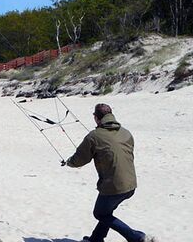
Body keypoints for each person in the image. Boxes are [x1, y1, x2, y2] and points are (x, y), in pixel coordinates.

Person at [62, 103, 152, 242]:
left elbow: (79, 160)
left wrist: (68, 162)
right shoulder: (126, 132)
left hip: (114, 187)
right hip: (131, 184)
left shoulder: (93, 136)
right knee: (106, 212)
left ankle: (136, 237)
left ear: (96, 118)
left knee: (100, 214)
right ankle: (96, 239)